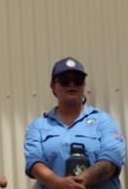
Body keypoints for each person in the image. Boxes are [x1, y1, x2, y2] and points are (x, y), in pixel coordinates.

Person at [24, 57, 126, 189]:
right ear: (53, 86)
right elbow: (34, 164)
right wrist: (58, 183)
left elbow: (111, 160)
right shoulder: (37, 127)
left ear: (83, 85)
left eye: (77, 80)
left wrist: (79, 181)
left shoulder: (104, 121)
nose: (72, 84)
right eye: (65, 80)